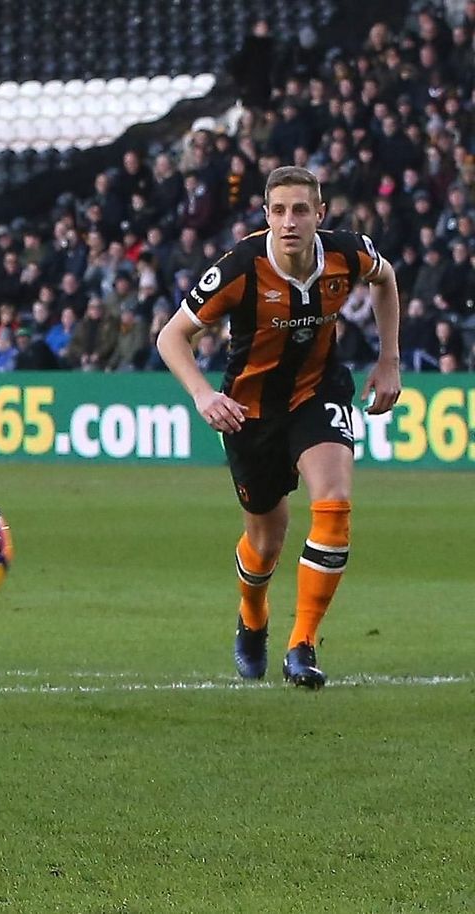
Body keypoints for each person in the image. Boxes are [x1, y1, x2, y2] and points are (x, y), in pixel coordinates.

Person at [155, 166, 402, 689]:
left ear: (319, 214)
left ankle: (302, 644)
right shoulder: (240, 267)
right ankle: (253, 615)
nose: (289, 221)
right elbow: (171, 337)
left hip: (318, 393)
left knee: (333, 503)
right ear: (266, 216)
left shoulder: (347, 252)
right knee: (266, 542)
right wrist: (203, 395)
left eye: (300, 209)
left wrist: (389, 359)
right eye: (279, 210)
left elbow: (386, 277)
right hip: (249, 413)